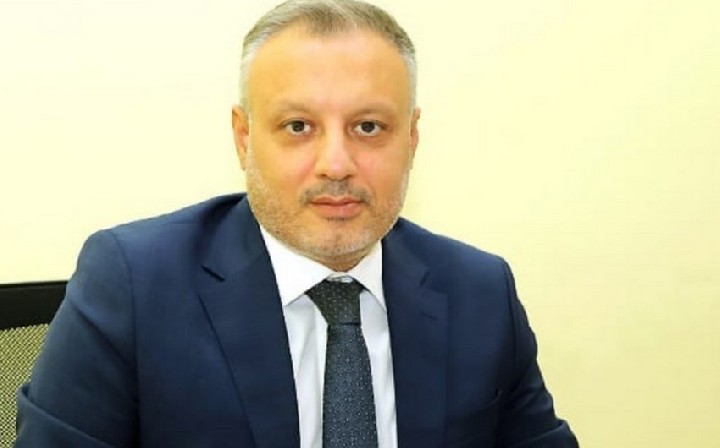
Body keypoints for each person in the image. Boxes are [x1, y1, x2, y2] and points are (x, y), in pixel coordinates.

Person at [15, 0, 578, 447]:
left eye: (368, 127)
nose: (336, 164)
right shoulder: (132, 285)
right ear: (243, 138)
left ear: (411, 138)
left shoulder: (480, 292)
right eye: (299, 126)